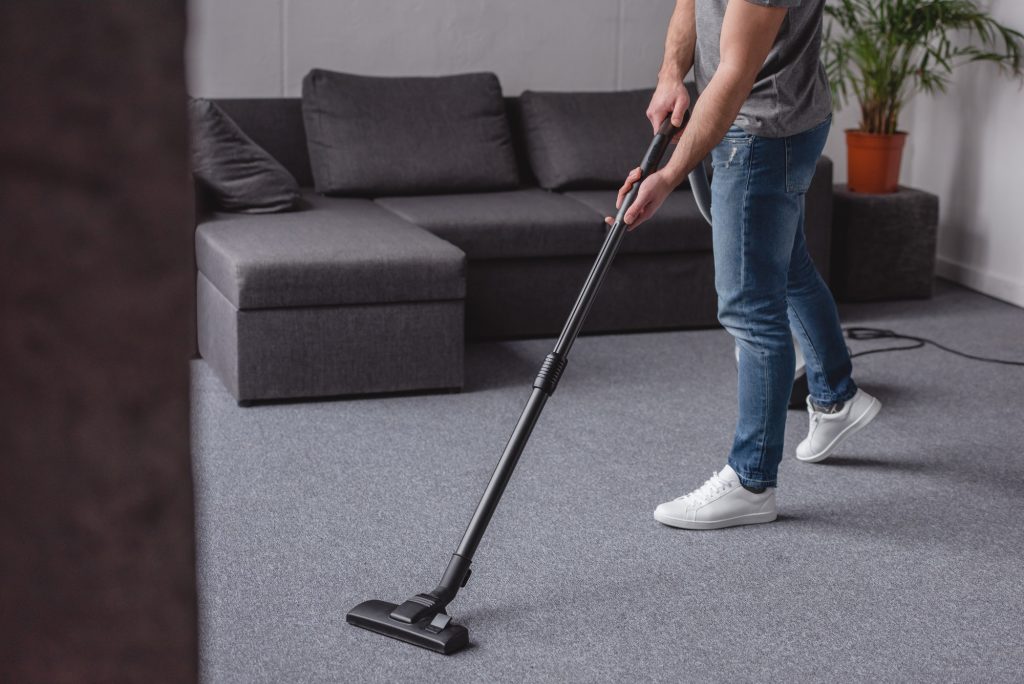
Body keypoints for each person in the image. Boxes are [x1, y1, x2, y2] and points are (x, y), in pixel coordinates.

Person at [606, 0, 881, 530]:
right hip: (759, 118)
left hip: (760, 130)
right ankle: (836, 395)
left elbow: (735, 71)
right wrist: (670, 75)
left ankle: (752, 480)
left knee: (750, 306)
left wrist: (664, 176)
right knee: (788, 265)